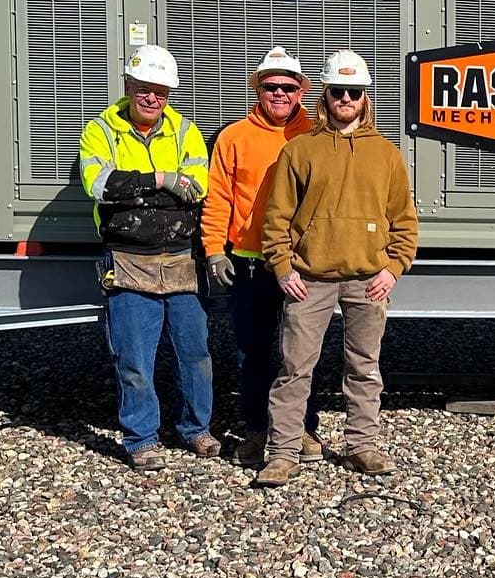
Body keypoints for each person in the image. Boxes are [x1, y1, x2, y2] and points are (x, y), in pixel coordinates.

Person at [256, 49, 418, 487]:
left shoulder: (385, 155)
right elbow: (277, 218)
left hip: (369, 280)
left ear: (366, 98)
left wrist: (393, 268)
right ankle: (283, 452)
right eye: (338, 91)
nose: (346, 98)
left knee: (364, 366)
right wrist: (284, 268)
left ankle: (361, 445)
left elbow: (404, 220)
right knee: (294, 369)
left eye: (355, 92)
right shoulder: (300, 150)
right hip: (309, 281)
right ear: (324, 96)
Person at [78, 44, 217, 472]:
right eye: (143, 89)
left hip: (180, 258)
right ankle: (141, 438)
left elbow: (198, 188)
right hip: (127, 258)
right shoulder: (100, 130)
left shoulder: (184, 130)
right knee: (135, 359)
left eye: (160, 91)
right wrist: (160, 179)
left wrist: (137, 191)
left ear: (169, 93)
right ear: (128, 86)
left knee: (196, 354)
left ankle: (197, 430)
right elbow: (98, 185)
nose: (151, 98)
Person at [201, 46, 315, 469]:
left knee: (301, 353)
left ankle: (301, 427)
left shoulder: (315, 136)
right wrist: (215, 251)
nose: (280, 93)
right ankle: (256, 428)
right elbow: (218, 200)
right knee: (253, 352)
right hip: (250, 262)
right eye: (271, 86)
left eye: (289, 86)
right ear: (258, 89)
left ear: (302, 91)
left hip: (302, 264)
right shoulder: (234, 137)